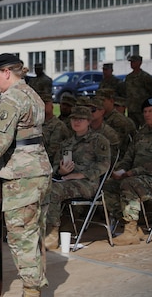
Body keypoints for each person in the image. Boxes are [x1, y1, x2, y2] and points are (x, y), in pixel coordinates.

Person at [0, 53, 51, 297]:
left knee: (22, 236)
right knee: (35, 232)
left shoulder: (11, 98)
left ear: (7, 72)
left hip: (21, 175)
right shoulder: (32, 93)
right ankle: (35, 285)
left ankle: (31, 291)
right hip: (39, 169)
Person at [104, 97, 152, 245]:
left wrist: (132, 173)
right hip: (137, 176)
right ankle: (131, 226)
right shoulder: (141, 132)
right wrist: (119, 171)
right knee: (107, 186)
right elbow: (129, 157)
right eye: (145, 111)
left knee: (130, 184)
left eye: (151, 111)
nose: (147, 114)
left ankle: (130, 232)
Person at [44, 106, 111, 250]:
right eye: (74, 119)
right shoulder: (66, 144)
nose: (77, 122)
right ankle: (41, 229)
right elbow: (55, 165)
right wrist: (61, 171)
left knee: (53, 191)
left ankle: (52, 235)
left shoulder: (98, 140)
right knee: (41, 187)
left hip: (88, 184)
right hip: (66, 182)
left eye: (81, 119)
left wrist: (81, 175)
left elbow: (104, 164)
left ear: (88, 121)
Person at [96, 89, 137, 155]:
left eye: (103, 101)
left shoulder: (119, 121)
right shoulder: (99, 118)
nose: (99, 103)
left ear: (111, 101)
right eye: (97, 101)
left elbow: (117, 146)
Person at [125, 55, 152, 128]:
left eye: (134, 62)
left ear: (139, 63)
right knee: (131, 129)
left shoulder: (145, 77)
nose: (132, 63)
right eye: (131, 62)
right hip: (131, 109)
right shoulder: (128, 77)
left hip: (142, 109)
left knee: (145, 128)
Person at [40, 92, 71, 165]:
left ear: (52, 106)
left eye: (45, 103)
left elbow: (53, 152)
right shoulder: (36, 123)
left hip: (50, 164)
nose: (42, 106)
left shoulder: (58, 125)